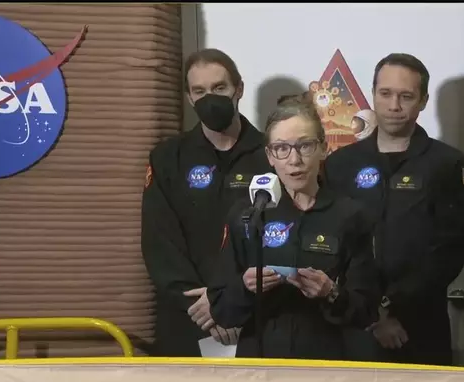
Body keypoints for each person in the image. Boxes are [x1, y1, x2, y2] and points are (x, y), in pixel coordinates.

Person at [324, 53, 464, 365]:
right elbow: (332, 243)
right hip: (352, 321)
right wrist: (373, 315)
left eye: (406, 96)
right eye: (385, 94)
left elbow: (453, 245)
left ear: (422, 101)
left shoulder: (448, 164)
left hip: (419, 323)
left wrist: (391, 306)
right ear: (373, 95)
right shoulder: (340, 165)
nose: (394, 106)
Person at [207, 95, 380, 359]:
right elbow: (220, 309)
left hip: (329, 362)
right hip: (261, 360)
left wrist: (331, 294)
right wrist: (245, 287)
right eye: (281, 148)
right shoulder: (248, 214)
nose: (294, 159)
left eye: (305, 146)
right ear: (270, 156)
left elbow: (367, 310)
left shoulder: (350, 215)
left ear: (323, 148)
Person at [141, 48, 271, 356]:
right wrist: (203, 306)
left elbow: (284, 236)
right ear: (189, 97)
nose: (209, 98)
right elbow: (159, 241)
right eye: (199, 91)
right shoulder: (167, 157)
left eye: (219, 88)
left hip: (257, 317)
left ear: (238, 88)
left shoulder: (273, 154)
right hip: (189, 317)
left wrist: (233, 301)